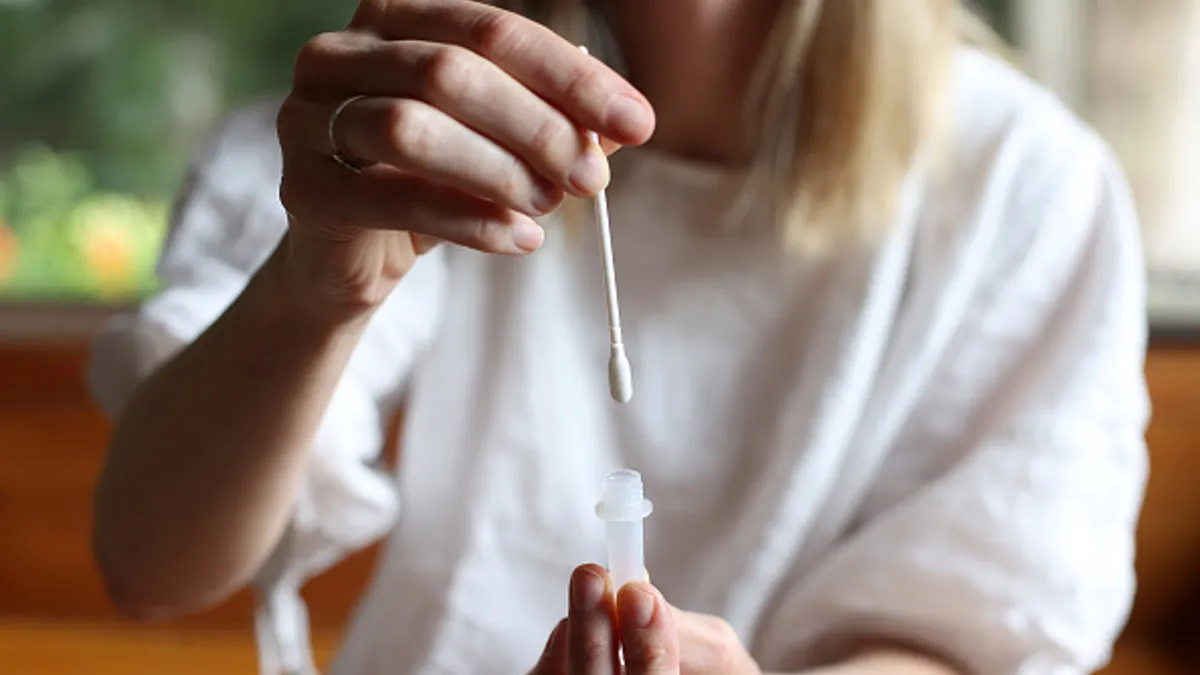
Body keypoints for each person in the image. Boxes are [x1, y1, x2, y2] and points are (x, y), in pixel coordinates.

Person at [86, 1, 1151, 674]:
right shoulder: (411, 111)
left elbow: (961, 630)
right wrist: (312, 292)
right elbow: (152, 563)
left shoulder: (1019, 185)